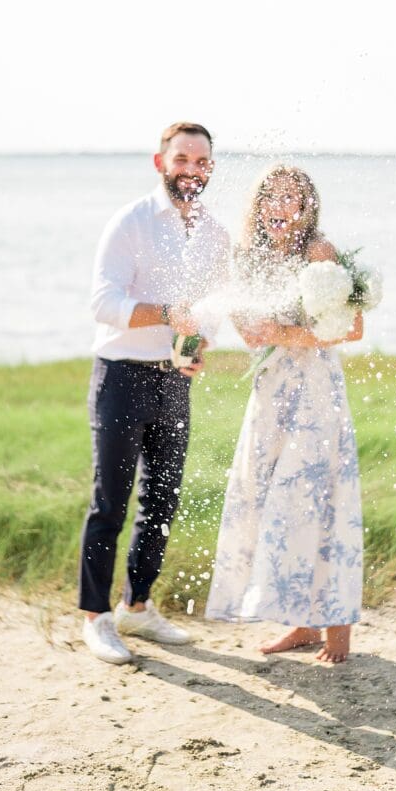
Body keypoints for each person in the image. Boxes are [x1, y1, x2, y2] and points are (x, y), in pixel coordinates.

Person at [79, 121, 230, 664]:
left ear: (210, 169)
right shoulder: (131, 221)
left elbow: (211, 308)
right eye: (182, 159)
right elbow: (102, 303)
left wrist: (199, 343)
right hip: (120, 375)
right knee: (110, 504)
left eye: (201, 161)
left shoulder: (215, 234)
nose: (191, 169)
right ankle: (96, 618)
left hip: (174, 380)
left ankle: (136, 607)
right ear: (160, 162)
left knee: (162, 502)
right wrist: (167, 313)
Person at [205, 164, 364, 663]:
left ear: (306, 206)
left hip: (315, 393)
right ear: (259, 205)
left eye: (290, 197)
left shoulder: (319, 252)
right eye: (270, 196)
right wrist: (249, 325)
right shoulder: (250, 258)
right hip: (271, 391)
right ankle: (301, 625)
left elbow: (351, 329)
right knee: (272, 498)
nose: (280, 206)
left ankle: (338, 634)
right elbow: (248, 326)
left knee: (319, 498)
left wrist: (282, 334)